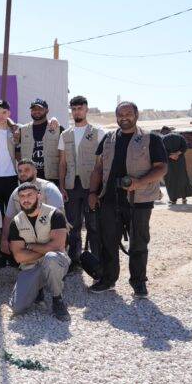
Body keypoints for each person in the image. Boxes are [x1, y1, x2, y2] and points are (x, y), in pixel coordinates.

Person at [88, 101, 167, 298]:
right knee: (108, 241)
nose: (124, 116)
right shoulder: (108, 139)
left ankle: (138, 282)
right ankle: (108, 279)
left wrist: (139, 182)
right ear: (116, 116)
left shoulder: (151, 139)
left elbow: (161, 168)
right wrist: (92, 192)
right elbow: (98, 168)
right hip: (110, 199)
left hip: (139, 200)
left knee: (139, 243)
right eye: (120, 113)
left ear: (136, 115)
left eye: (128, 113)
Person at [8, 183, 70, 321]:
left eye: (30, 195)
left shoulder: (55, 214)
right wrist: (45, 249)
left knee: (51, 258)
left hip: (56, 261)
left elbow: (58, 246)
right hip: (31, 266)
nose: (26, 199)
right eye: (22, 196)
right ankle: (39, 287)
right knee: (16, 308)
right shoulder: (16, 222)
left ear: (39, 196)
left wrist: (29, 246)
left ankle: (57, 298)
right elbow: (18, 257)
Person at [58, 96, 106, 265]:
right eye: (74, 109)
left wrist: (100, 187)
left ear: (86, 109)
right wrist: (62, 187)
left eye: (80, 108)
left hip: (91, 185)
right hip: (72, 185)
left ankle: (97, 259)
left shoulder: (98, 132)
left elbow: (102, 161)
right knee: (73, 225)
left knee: (93, 224)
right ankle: (75, 259)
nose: (77, 111)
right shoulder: (65, 134)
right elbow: (62, 163)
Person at [2, 159, 64, 258]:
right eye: (20, 171)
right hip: (28, 238)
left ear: (35, 171)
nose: (23, 173)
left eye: (27, 170)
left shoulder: (49, 189)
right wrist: (4, 240)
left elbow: (60, 218)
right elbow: (8, 218)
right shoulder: (16, 193)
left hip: (50, 236)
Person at [18, 99, 64, 185]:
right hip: (29, 178)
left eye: (40, 109)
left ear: (47, 110)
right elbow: (17, 151)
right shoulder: (23, 130)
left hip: (52, 178)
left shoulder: (57, 128)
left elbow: (64, 156)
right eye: (34, 109)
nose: (36, 111)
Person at [160, 126, 192, 204]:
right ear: (170, 130)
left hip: (169, 163)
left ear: (163, 132)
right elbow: (185, 147)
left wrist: (170, 155)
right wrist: (177, 154)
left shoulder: (162, 139)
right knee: (182, 178)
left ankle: (173, 200)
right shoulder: (180, 137)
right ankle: (184, 198)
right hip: (180, 162)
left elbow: (161, 150)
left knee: (170, 180)